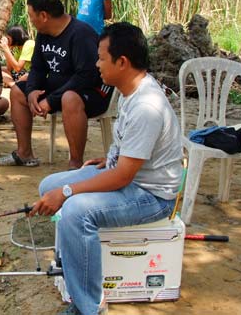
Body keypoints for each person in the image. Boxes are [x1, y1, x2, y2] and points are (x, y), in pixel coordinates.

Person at [30, 22, 183, 315]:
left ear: (122, 62)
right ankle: (75, 261)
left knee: (74, 210)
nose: (96, 64)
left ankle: (89, 306)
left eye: (101, 58)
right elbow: (126, 157)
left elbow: (124, 176)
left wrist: (68, 191)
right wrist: (109, 158)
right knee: (48, 186)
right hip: (128, 178)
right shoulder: (128, 91)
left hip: (151, 196)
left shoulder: (146, 106)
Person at [0, 0, 113, 169]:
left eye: (31, 15)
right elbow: (38, 68)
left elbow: (86, 76)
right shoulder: (44, 34)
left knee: (69, 98)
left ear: (43, 15)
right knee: (19, 90)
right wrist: (32, 90)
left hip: (93, 92)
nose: (30, 20)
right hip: (61, 88)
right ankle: (24, 153)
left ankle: (75, 163)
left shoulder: (81, 34)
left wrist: (51, 101)